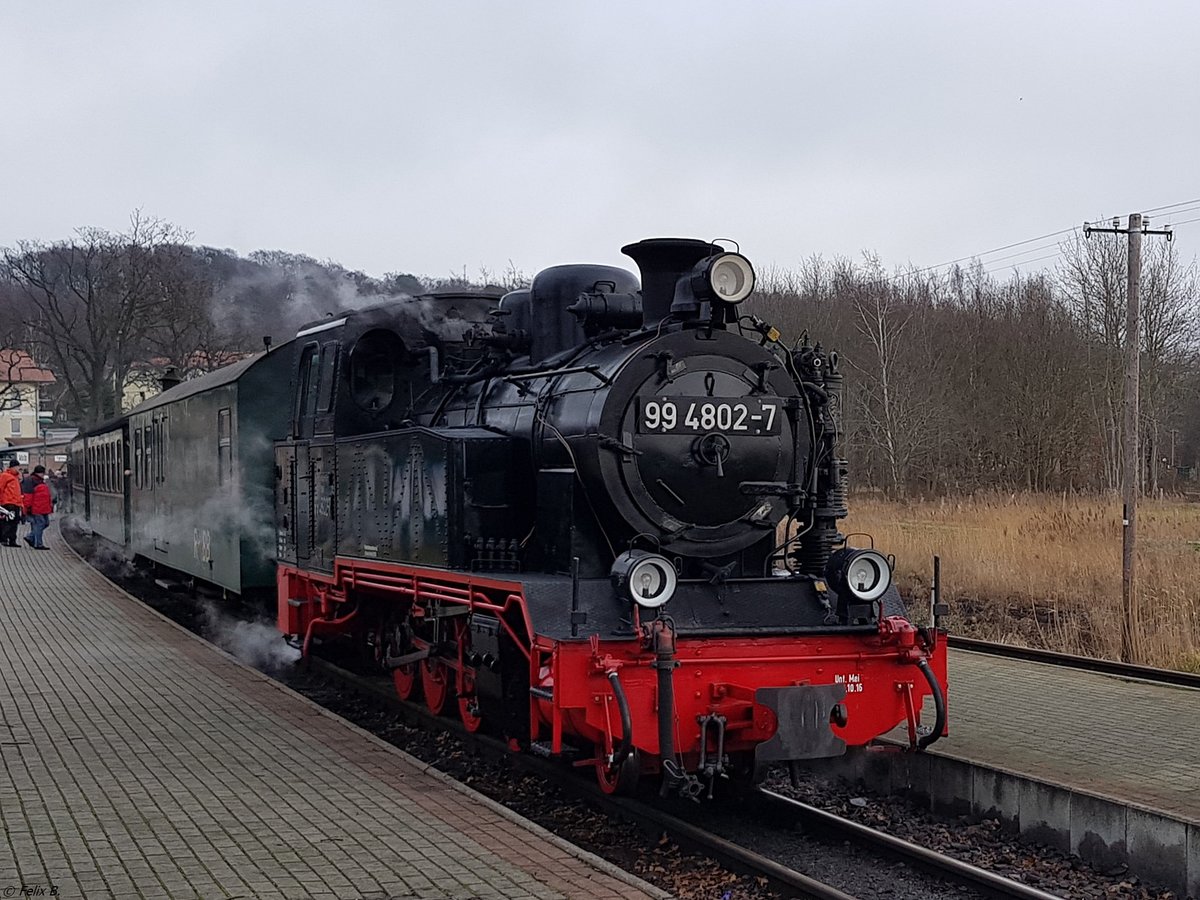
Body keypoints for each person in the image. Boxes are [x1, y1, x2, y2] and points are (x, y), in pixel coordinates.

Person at [23, 464, 53, 550]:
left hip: (43, 507)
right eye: (43, 473)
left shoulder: (39, 480)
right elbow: (28, 495)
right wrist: (28, 507)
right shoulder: (31, 481)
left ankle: (30, 537)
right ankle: (38, 544)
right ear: (39, 473)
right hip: (36, 508)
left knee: (45, 523)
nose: (43, 475)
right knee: (40, 524)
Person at [0, 460, 22, 546]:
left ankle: (12, 540)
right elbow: (1, 488)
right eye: (17, 467)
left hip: (15, 503)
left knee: (14, 522)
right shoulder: (5, 476)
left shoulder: (15, 477)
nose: (18, 469)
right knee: (9, 522)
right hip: (8, 503)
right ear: (13, 467)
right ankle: (5, 539)